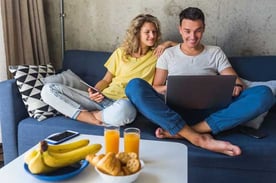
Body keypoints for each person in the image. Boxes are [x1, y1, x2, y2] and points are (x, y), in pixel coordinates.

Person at [125, 7, 275, 156]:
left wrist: (236, 86)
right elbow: (155, 87)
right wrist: (167, 89)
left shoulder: (215, 52)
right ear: (180, 29)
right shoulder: (168, 54)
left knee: (264, 93)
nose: (193, 36)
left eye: (198, 30)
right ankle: (198, 138)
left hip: (212, 113)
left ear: (203, 29)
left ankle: (188, 131)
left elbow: (237, 81)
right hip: (175, 111)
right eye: (187, 31)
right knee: (134, 86)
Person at [41, 14, 174, 126]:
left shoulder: (158, 55)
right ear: (137, 33)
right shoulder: (121, 53)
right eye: (147, 32)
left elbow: (187, 46)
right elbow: (106, 80)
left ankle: (91, 116)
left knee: (126, 110)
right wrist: (95, 91)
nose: (152, 36)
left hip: (125, 103)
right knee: (48, 89)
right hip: (103, 98)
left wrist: (167, 43)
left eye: (154, 32)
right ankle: (90, 117)